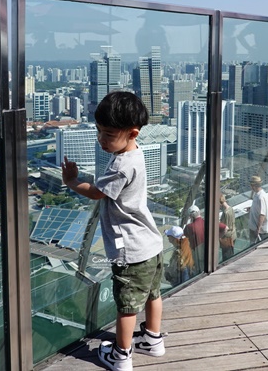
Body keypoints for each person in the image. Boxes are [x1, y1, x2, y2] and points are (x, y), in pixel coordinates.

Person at [61, 91, 165, 370]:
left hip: (129, 248)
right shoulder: (136, 153)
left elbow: (96, 193)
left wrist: (72, 181)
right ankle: (153, 340)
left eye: (108, 134)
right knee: (153, 294)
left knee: (127, 306)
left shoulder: (121, 165)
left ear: (132, 133)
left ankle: (121, 355)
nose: (101, 139)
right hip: (151, 243)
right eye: (99, 132)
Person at [247, 176, 268, 243]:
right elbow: (259, 209)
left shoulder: (261, 197)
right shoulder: (257, 195)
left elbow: (262, 214)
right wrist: (251, 209)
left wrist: (258, 228)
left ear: (254, 185)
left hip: (259, 231)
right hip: (255, 228)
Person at [219, 194, 236, 260]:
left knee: (227, 257)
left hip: (227, 238)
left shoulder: (226, 213)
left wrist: (220, 237)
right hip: (233, 235)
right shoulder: (231, 209)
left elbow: (226, 228)